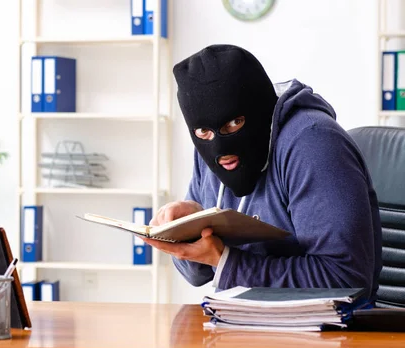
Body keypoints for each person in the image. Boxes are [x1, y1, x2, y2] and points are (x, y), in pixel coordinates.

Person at [141, 44, 383, 300]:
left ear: (259, 109)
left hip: (329, 332)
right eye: (203, 132)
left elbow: (347, 280)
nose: (220, 146)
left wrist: (226, 261)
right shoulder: (211, 149)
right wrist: (188, 229)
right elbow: (198, 274)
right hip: (244, 322)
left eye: (234, 124)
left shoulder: (313, 144)